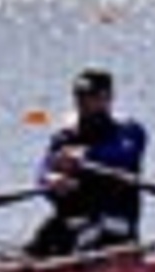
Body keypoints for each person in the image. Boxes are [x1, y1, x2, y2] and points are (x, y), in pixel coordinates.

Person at [26, 68, 148, 260]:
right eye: (79, 96)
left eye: (90, 96)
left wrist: (85, 157)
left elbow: (123, 156)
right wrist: (50, 180)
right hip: (72, 220)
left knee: (72, 239)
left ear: (108, 98)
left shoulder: (128, 132)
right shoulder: (65, 135)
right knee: (38, 245)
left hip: (115, 223)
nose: (82, 102)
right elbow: (45, 167)